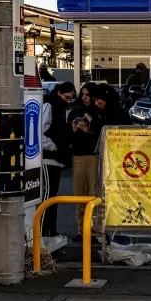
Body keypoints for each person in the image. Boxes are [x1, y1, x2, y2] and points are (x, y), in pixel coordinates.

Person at [40, 82, 76, 238]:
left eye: (71, 99)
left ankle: (50, 231)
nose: (69, 101)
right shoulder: (50, 105)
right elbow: (39, 132)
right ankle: (43, 231)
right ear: (60, 93)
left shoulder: (60, 107)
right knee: (47, 196)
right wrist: (53, 146)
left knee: (51, 197)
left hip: (56, 157)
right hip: (49, 158)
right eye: (67, 97)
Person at [68, 83, 100, 241]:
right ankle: (81, 230)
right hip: (78, 156)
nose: (84, 97)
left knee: (93, 193)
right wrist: (74, 131)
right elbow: (67, 136)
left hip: (94, 156)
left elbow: (102, 135)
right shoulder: (75, 112)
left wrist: (91, 129)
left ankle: (93, 229)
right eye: (83, 94)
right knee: (80, 193)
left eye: (88, 94)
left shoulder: (99, 113)